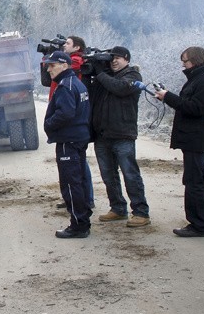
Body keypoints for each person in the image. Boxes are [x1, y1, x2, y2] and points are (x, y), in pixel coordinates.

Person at [154, 46, 204, 237]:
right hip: (193, 137)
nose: (183, 65)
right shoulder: (200, 79)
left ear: (195, 60)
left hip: (195, 138)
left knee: (194, 182)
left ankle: (199, 225)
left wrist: (168, 97)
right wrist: (167, 97)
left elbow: (195, 108)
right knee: (202, 178)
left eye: (185, 61)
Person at [89, 46, 151, 228]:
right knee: (108, 175)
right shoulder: (105, 77)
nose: (114, 61)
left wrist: (100, 74)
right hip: (102, 135)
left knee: (130, 174)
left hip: (123, 134)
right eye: (111, 58)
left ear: (127, 60)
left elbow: (120, 88)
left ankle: (141, 213)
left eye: (118, 58)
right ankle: (118, 208)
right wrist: (91, 72)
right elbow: (91, 94)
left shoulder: (133, 76)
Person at [42, 50, 92, 238]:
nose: (49, 69)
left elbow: (65, 113)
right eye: (48, 65)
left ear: (64, 65)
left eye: (52, 65)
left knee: (71, 183)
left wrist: (49, 125)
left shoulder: (65, 86)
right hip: (78, 138)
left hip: (68, 140)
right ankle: (83, 220)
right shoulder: (77, 83)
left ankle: (78, 225)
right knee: (80, 180)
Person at [53, 36, 95, 211]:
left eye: (67, 44)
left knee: (74, 175)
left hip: (70, 135)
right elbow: (47, 80)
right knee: (76, 172)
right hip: (76, 133)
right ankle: (78, 202)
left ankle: (81, 210)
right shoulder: (69, 82)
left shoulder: (75, 69)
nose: (64, 45)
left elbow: (66, 113)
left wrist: (49, 124)